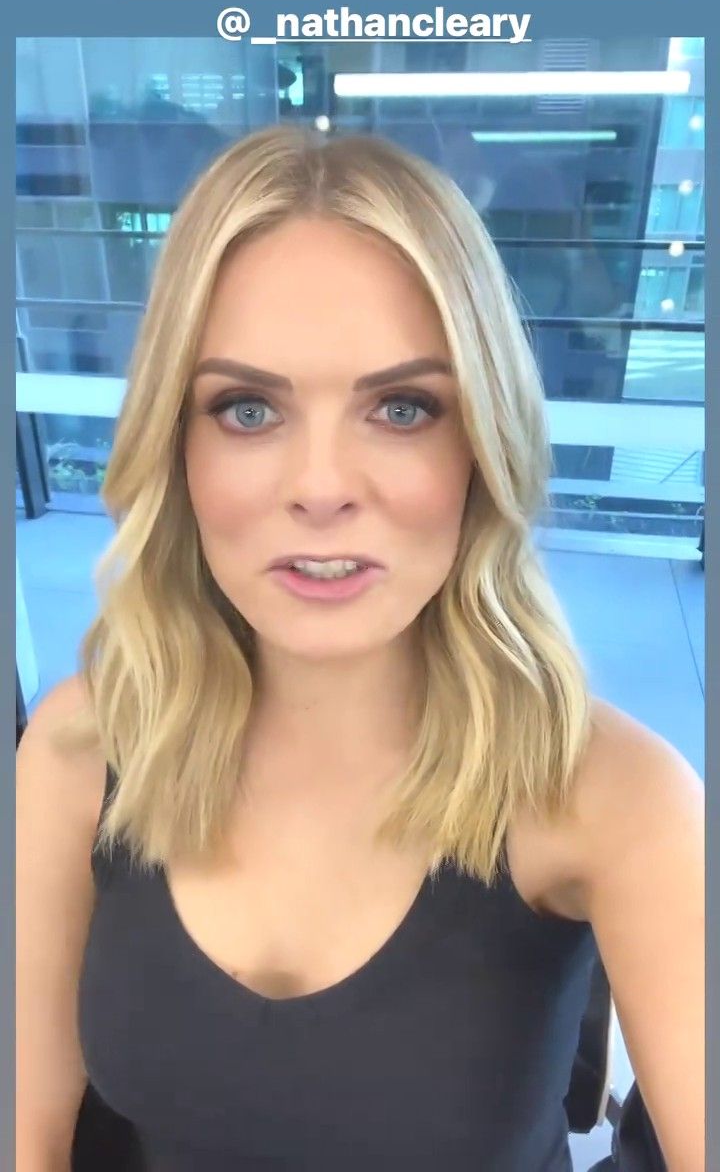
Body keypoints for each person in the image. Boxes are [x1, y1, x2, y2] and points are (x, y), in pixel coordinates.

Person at [16, 124, 703, 1171]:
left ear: (481, 444)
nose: (323, 485)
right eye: (248, 409)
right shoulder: (81, 746)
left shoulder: (621, 799)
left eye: (402, 407)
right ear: (176, 443)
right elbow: (28, 1133)